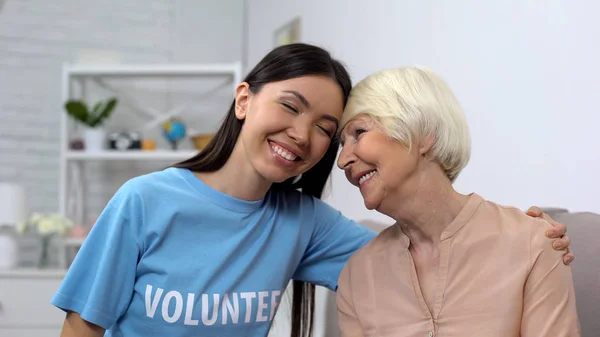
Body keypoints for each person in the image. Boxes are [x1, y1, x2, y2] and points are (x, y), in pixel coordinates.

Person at [51, 44, 572, 337]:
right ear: (243, 101)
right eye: (290, 106)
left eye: (328, 127)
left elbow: (425, 254)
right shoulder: (144, 202)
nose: (303, 135)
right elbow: (81, 330)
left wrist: (522, 234)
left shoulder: (304, 223)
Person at [335, 66, 580, 337]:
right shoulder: (356, 275)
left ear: (422, 132)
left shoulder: (532, 242)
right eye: (341, 144)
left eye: (359, 132)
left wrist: (535, 239)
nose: (342, 160)